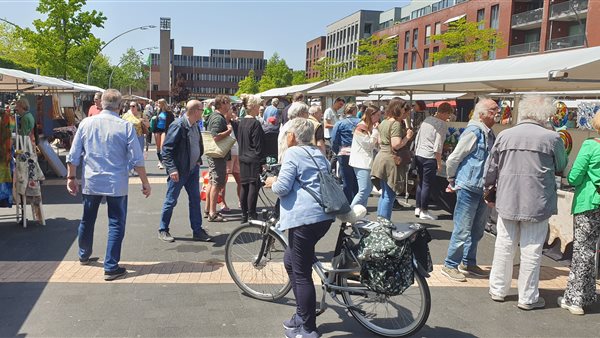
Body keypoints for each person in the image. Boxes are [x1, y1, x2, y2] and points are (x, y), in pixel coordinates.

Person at [486, 95, 568, 310]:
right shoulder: (552, 138)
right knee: (532, 249)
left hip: (507, 198)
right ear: (545, 115)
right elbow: (561, 163)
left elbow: (491, 169)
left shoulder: (505, 136)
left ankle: (498, 290)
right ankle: (528, 297)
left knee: (504, 245)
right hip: (537, 201)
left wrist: (489, 191)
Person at [66, 89, 151, 281]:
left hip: (92, 180)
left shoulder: (86, 124)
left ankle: (84, 254)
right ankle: (111, 265)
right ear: (120, 106)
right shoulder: (125, 126)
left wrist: (71, 177)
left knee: (87, 219)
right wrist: (145, 182)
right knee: (116, 223)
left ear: (100, 104)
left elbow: (74, 153)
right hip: (116, 182)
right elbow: (137, 159)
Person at [266, 118, 335, 338]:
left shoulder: (293, 153)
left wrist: (271, 183)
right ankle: (300, 314)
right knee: (290, 260)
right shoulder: (318, 153)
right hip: (323, 217)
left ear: (292, 136)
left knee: (301, 272)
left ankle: (308, 328)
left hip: (304, 219)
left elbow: (283, 187)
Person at [441, 98, 498, 282]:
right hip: (468, 186)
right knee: (463, 229)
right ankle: (450, 264)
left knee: (477, 229)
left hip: (481, 188)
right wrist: (452, 179)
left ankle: (468, 262)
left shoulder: (489, 134)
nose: (498, 113)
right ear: (482, 114)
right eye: (493, 110)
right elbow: (454, 158)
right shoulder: (474, 132)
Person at [557, 112, 600, 315]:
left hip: (589, 201)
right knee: (592, 251)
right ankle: (588, 294)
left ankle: (574, 299)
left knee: (582, 251)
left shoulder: (591, 145)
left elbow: (574, 177)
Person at [157, 100, 212, 243]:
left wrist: (198, 157)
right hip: (179, 170)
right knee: (171, 200)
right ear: (194, 111)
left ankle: (197, 230)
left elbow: (196, 143)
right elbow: (167, 150)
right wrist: (172, 169)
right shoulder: (178, 125)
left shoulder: (195, 125)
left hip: (192, 169)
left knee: (195, 200)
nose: (203, 112)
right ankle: (163, 229)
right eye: (201, 109)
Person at [371, 98, 414, 221]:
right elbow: (396, 144)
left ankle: (381, 222)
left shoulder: (384, 122)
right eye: (404, 109)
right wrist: (407, 137)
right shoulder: (395, 124)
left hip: (382, 157)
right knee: (389, 195)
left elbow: (379, 142)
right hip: (390, 159)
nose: (406, 112)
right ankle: (384, 224)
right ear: (398, 109)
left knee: (385, 194)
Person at [413, 102, 452, 220]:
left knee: (421, 182)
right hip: (430, 156)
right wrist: (439, 163)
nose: (448, 118)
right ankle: (424, 210)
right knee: (426, 184)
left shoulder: (427, 120)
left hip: (419, 154)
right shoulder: (442, 124)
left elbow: (418, 137)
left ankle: (418, 207)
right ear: (444, 113)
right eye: (448, 115)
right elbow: (438, 145)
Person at [237, 94, 265, 223]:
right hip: (253, 158)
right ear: (253, 107)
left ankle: (244, 214)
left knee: (244, 186)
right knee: (253, 186)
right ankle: (252, 213)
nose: (260, 107)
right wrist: (262, 162)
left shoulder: (241, 122)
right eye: (259, 105)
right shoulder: (255, 123)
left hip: (242, 156)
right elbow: (258, 145)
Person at [205, 95, 232, 222]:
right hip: (217, 154)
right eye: (227, 103)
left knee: (212, 182)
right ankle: (212, 213)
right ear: (221, 104)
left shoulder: (213, 116)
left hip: (213, 154)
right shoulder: (218, 118)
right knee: (216, 183)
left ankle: (208, 209)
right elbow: (215, 136)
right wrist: (228, 131)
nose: (230, 106)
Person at [349, 105, 380, 208]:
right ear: (371, 115)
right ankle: (350, 215)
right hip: (361, 163)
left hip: (364, 162)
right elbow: (369, 144)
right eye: (377, 115)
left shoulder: (367, 126)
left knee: (366, 190)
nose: (379, 118)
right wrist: (375, 132)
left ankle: (360, 215)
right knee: (364, 190)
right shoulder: (361, 127)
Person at [331, 103, 360, 204]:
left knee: (347, 180)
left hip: (344, 152)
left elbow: (334, 139)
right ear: (355, 111)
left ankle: (347, 202)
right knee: (357, 180)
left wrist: (336, 150)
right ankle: (357, 202)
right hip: (358, 153)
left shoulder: (339, 123)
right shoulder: (360, 122)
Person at [221, 105, 241, 212]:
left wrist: (236, 120)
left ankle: (241, 201)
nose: (232, 112)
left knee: (240, 179)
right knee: (223, 180)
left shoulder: (235, 123)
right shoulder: (222, 124)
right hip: (227, 155)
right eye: (230, 110)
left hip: (237, 153)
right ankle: (223, 203)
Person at [154, 99, 175, 170]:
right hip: (157, 130)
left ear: (163, 104)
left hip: (164, 130)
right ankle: (159, 160)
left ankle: (162, 161)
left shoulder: (169, 113)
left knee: (162, 145)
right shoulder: (157, 111)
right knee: (158, 147)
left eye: (159, 103)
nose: (158, 105)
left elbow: (172, 122)